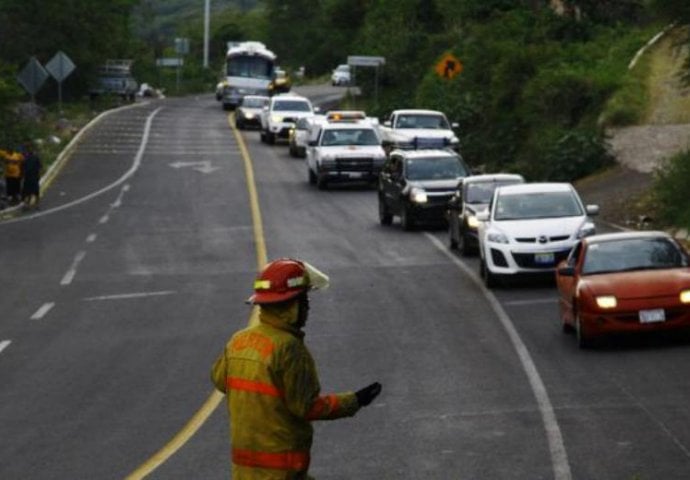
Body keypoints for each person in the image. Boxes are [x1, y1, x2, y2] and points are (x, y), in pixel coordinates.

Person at [211, 258, 382, 479]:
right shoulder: (288, 348)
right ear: (291, 306)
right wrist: (354, 401)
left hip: (245, 471)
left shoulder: (238, 340)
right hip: (282, 471)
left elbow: (219, 379)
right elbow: (307, 407)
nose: (308, 307)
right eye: (304, 300)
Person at [20, 141, 42, 210]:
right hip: (29, 177)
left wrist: (39, 175)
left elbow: (39, 167)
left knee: (34, 191)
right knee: (29, 191)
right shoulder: (25, 159)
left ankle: (36, 204)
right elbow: (22, 168)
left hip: (33, 176)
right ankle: (29, 204)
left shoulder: (34, 158)